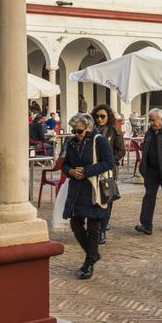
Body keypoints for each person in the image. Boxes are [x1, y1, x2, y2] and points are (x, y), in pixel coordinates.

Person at [61, 112, 113, 280]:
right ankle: (93, 253)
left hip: (94, 188)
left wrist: (87, 171)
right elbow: (65, 163)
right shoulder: (70, 143)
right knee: (75, 224)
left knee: (93, 228)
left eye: (79, 131)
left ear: (88, 128)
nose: (76, 134)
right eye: (74, 131)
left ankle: (89, 263)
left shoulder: (99, 141)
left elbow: (108, 162)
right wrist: (70, 171)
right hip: (77, 189)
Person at [92, 103, 126, 240]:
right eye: (97, 116)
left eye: (102, 116)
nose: (99, 119)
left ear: (108, 117)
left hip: (109, 171)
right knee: (94, 199)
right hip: (93, 170)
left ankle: (102, 230)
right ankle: (95, 228)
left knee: (106, 199)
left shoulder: (114, 131)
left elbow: (121, 150)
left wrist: (110, 161)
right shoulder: (91, 130)